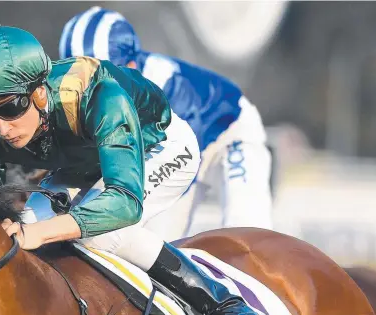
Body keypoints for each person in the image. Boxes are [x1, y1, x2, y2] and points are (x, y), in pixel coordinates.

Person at [0, 24, 265, 315]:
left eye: (10, 107)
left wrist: (41, 233)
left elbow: (124, 203)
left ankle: (219, 302)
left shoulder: (103, 95)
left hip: (159, 147)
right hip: (85, 164)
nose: (2, 126)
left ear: (39, 92)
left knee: (98, 231)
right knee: (30, 222)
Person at [60, 7, 274, 240]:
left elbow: (182, 159)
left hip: (226, 130)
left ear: (131, 66)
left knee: (246, 229)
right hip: (180, 136)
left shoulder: (168, 89)